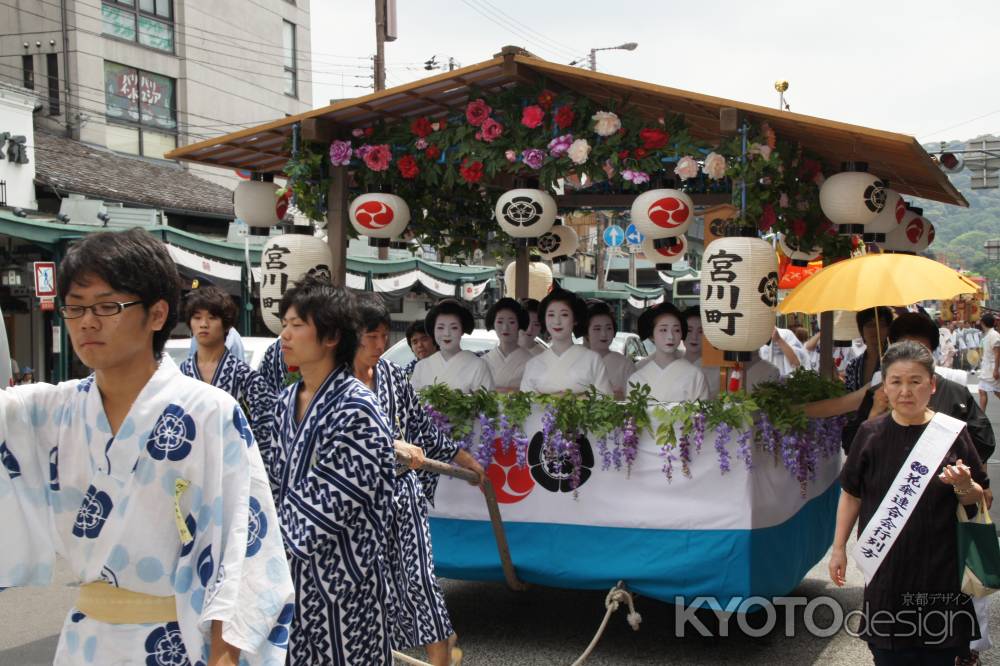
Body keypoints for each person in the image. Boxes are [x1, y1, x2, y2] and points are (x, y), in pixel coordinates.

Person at [0, 229, 293, 664]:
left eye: (107, 306)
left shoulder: (208, 412)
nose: (87, 322)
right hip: (86, 642)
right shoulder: (47, 410)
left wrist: (227, 654)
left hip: (176, 644)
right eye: (75, 308)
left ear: (157, 314)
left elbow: (244, 548)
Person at [262, 275, 396, 664]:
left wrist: (259, 550)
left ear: (332, 336)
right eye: (284, 324)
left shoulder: (358, 407)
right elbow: (270, 485)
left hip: (345, 587)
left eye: (297, 325)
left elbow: (330, 502)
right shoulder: (285, 401)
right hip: (290, 583)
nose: (285, 335)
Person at [830, 340, 987, 665]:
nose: (905, 391)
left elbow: (981, 496)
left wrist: (964, 485)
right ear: (884, 386)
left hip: (942, 578)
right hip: (888, 582)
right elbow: (851, 494)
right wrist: (839, 548)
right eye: (896, 382)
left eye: (915, 382)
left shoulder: (952, 434)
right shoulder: (870, 434)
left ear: (932, 385)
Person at [353, 294, 483, 666]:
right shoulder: (335, 381)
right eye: (370, 336)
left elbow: (424, 428)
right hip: (357, 502)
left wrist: (466, 459)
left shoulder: (394, 375)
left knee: (421, 579)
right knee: (367, 587)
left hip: (403, 491)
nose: (379, 346)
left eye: (382, 336)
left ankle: (441, 660)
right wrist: (389, 443)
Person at [179, 285, 276, 446]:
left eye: (212, 318)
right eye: (197, 317)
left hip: (234, 466)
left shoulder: (247, 378)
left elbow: (266, 435)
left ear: (227, 324)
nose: (203, 324)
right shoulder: (181, 375)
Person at [520, 289, 612, 395]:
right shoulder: (533, 364)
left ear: (575, 319)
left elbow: (604, 401)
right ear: (544, 319)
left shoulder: (592, 360)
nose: (557, 321)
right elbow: (526, 405)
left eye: (564, 315)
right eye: (551, 315)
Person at [628, 302, 708, 403]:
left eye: (677, 330)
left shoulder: (695, 375)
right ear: (652, 335)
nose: (670, 336)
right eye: (663, 330)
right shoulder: (637, 377)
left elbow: (701, 416)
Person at [411, 298, 494, 393]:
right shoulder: (421, 367)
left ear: (462, 330)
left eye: (454, 327)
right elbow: (413, 404)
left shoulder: (478, 365)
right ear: (433, 330)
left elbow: (487, 404)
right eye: (440, 327)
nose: (446, 333)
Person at [584, 300, 635, 399]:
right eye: (597, 329)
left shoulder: (625, 364)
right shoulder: (577, 360)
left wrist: (621, 399)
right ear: (587, 333)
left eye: (608, 328)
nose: (604, 334)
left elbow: (635, 400)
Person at [482, 297, 533, 392]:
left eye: (512, 322)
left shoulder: (531, 362)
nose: (505, 327)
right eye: (500, 322)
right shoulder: (484, 361)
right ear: (493, 323)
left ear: (519, 324)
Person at [843, 307, 895, 391]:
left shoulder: (896, 361)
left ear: (888, 329)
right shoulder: (853, 365)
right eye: (870, 325)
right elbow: (848, 393)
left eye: (881, 325)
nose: (875, 329)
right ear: (861, 330)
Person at [681, 306, 719, 397]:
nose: (694, 337)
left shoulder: (718, 372)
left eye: (701, 331)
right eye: (689, 330)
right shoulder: (673, 364)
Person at [977, 314, 1000, 411]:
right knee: (982, 390)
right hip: (987, 368)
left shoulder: (994, 335)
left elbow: (997, 354)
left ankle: (981, 415)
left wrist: (996, 370)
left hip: (992, 368)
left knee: (997, 391)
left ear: (982, 323)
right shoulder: (988, 335)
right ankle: (981, 415)